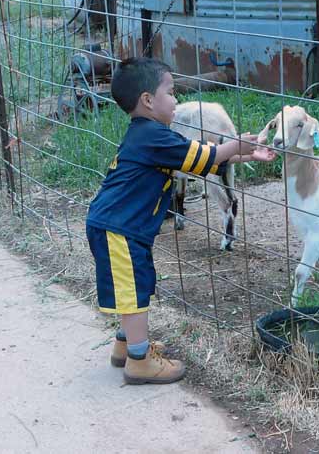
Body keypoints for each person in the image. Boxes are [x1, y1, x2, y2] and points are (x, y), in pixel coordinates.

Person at [86, 57, 275, 384]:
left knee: (136, 285)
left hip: (123, 226)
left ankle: (127, 345)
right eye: (171, 92)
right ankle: (138, 361)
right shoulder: (155, 137)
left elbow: (199, 160)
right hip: (119, 228)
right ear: (148, 100)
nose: (176, 100)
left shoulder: (149, 135)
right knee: (133, 290)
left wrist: (244, 152)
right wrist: (234, 145)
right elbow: (210, 155)